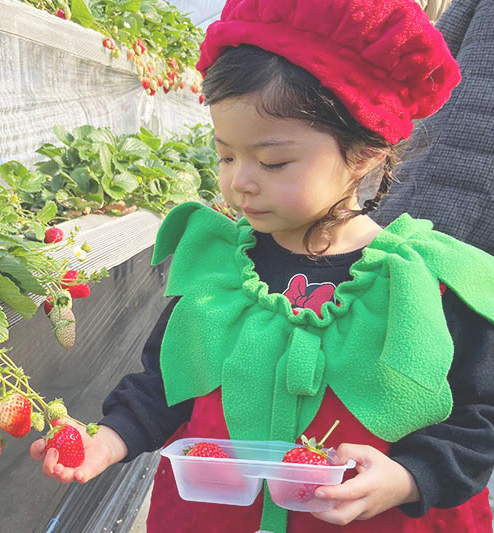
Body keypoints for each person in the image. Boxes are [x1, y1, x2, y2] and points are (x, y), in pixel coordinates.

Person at [30, 0, 494, 531]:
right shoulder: (219, 270)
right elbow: (164, 383)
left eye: (273, 162)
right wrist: (109, 440)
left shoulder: (426, 286)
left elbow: (481, 415)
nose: (240, 182)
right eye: (226, 155)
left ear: (365, 152)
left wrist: (411, 477)